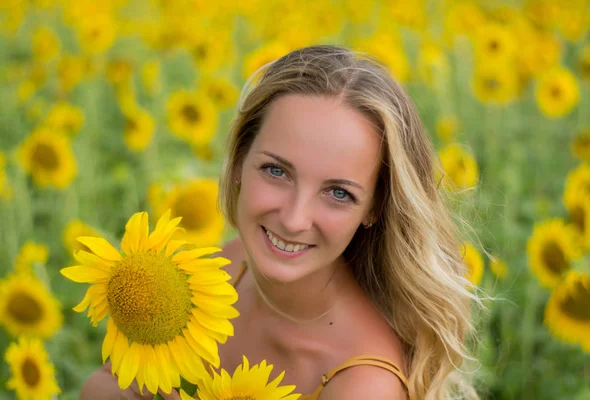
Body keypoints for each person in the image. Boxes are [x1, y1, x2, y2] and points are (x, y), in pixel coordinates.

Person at [80, 45, 480, 400]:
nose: (293, 218)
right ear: (238, 161)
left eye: (339, 193)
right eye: (276, 171)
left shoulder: (362, 383)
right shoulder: (224, 270)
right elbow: (108, 381)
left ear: (374, 208)